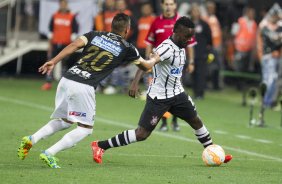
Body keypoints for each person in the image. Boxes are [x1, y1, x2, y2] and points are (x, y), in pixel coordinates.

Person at [17, 13, 160, 169]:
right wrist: (155, 58)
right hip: (83, 86)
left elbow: (73, 46)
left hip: (67, 79)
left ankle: (32, 138)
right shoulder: (127, 48)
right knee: (85, 129)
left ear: (111, 26)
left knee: (65, 121)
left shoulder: (94, 34)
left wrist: (53, 61)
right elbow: (146, 67)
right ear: (127, 30)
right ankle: (50, 153)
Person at [91, 16, 232, 165]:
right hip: (159, 98)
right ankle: (100, 145)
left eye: (191, 37)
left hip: (178, 94)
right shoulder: (166, 48)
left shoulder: (181, 46)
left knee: (196, 121)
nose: (189, 40)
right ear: (176, 31)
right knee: (142, 134)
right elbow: (147, 63)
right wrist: (135, 82)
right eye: (186, 36)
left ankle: (213, 153)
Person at [139, 0, 197, 132]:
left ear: (175, 6)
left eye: (171, 4)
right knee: (162, 93)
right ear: (162, 5)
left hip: (177, 63)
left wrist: (192, 61)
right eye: (166, 4)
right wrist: (148, 60)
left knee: (177, 91)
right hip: (160, 64)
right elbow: (150, 42)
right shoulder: (156, 22)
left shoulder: (182, 22)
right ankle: (164, 122)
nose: (169, 6)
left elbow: (191, 43)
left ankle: (175, 121)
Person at [41, 0, 79, 90]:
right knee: (50, 62)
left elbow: (74, 32)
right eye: (61, 4)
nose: (63, 5)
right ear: (59, 5)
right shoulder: (54, 16)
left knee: (64, 64)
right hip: (55, 43)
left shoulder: (72, 16)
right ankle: (48, 83)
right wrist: (49, 45)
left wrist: (72, 45)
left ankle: (63, 84)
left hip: (66, 44)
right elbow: (50, 31)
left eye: (64, 4)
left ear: (67, 5)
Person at [190, 3, 212, 99]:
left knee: (200, 74)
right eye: (194, 11)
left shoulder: (204, 25)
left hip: (201, 53)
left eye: (197, 11)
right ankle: (195, 92)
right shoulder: (188, 24)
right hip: (191, 54)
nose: (195, 13)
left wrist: (208, 52)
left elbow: (209, 39)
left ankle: (200, 93)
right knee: (193, 74)